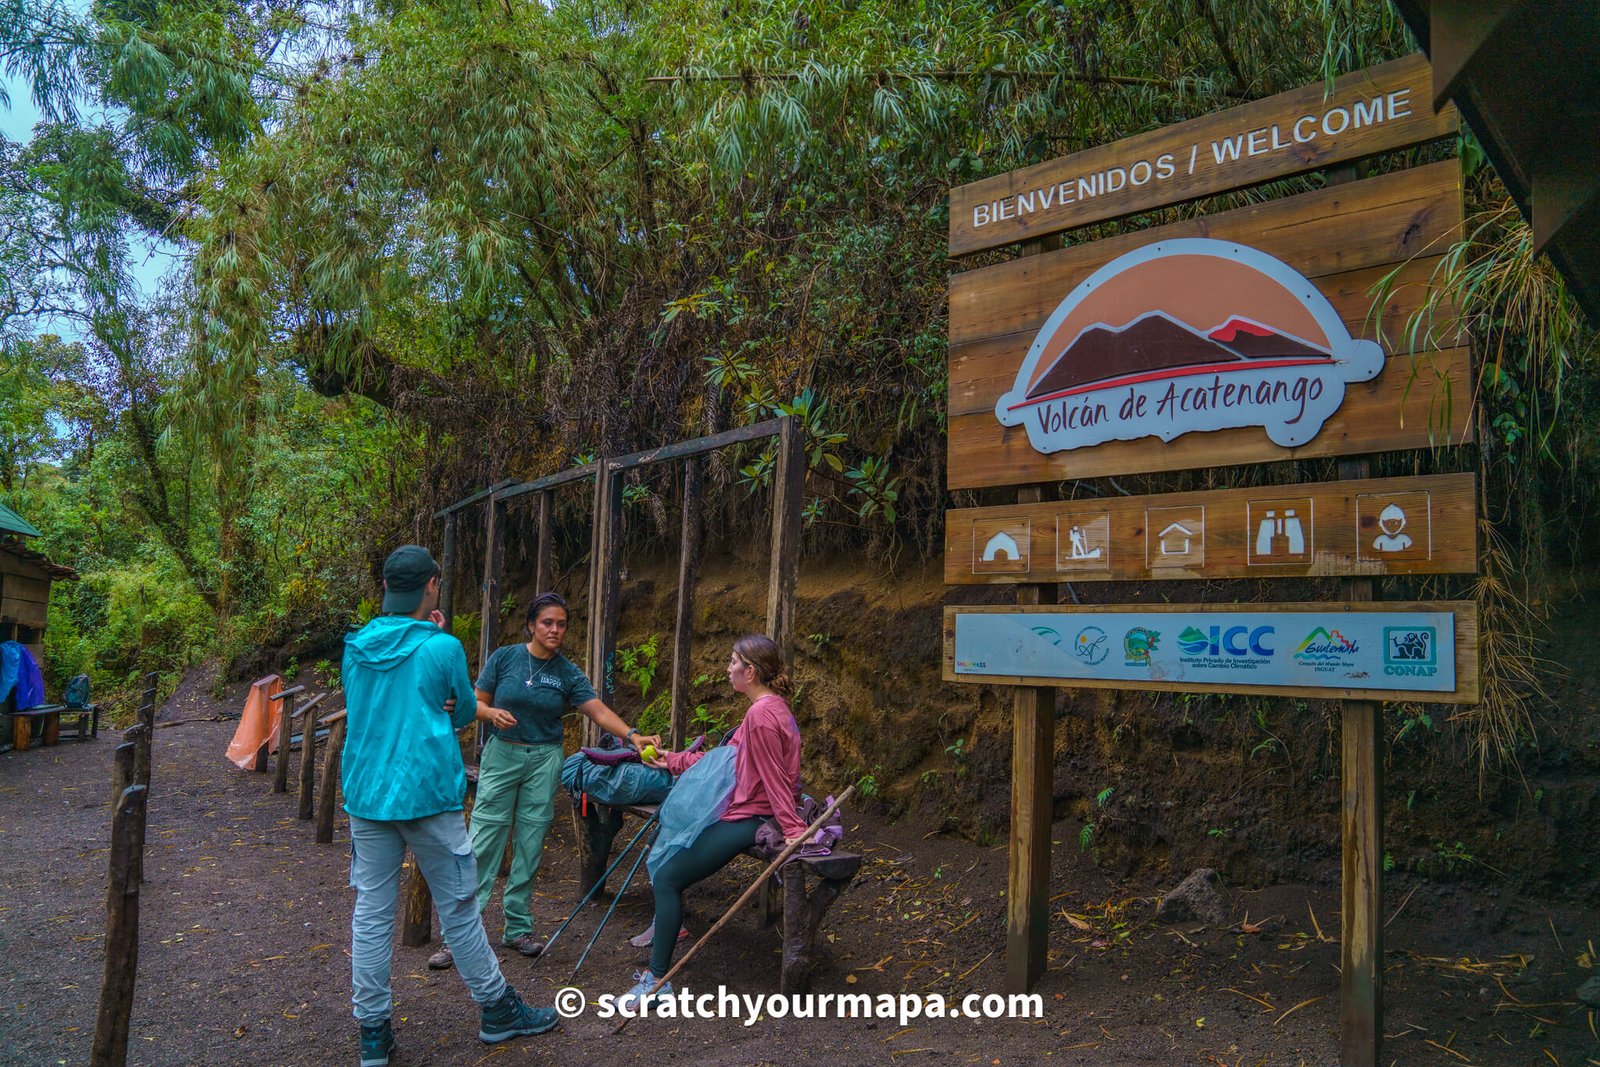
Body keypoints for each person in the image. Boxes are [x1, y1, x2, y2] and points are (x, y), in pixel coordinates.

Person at [341, 545, 557, 1067]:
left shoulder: (356, 646)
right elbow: (462, 712)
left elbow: (372, 702)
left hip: (367, 794)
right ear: (432, 586)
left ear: (389, 587)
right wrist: (438, 659)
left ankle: (373, 1033)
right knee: (459, 905)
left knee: (371, 911)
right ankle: (497, 1009)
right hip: (427, 792)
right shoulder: (443, 647)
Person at [427, 592, 661, 969]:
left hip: (545, 759)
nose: (554, 630)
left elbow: (597, 710)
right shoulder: (505, 658)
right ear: (532, 625)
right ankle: (460, 936)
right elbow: (476, 702)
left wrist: (633, 735)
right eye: (547, 623)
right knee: (484, 840)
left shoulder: (567, 672)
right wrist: (491, 714)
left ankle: (517, 928)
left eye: (561, 624)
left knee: (531, 842)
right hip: (503, 754)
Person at [618, 633, 808, 1006]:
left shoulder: (762, 715)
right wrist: (672, 760)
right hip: (745, 809)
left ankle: (657, 982)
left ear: (750, 671)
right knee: (667, 862)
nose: (728, 668)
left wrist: (794, 831)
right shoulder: (768, 708)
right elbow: (726, 760)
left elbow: (775, 779)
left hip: (753, 817)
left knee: (668, 877)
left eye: (733, 662)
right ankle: (659, 969)